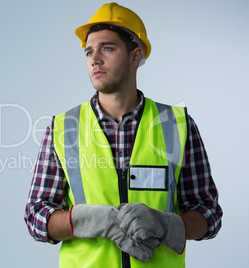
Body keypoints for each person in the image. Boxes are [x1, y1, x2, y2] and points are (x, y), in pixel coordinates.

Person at [24, 2, 222, 267]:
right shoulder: (63, 127)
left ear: (135, 56)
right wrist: (94, 220)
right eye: (88, 52)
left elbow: (208, 213)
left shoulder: (176, 125)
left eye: (107, 48)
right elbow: (36, 217)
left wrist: (167, 224)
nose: (95, 59)